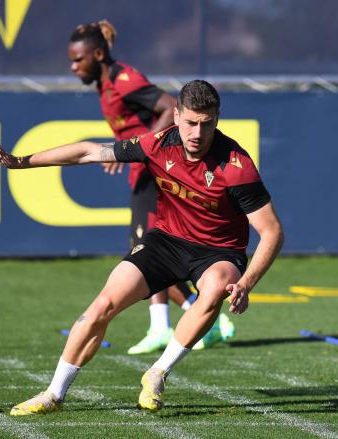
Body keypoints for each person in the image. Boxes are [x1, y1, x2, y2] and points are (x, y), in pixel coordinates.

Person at [0, 79, 284, 415]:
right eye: (190, 122)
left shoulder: (236, 166)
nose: (197, 133)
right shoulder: (157, 144)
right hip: (166, 242)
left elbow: (272, 232)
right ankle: (53, 394)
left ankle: (158, 372)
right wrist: (19, 162)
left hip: (218, 251)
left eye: (207, 124)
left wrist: (246, 284)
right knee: (103, 304)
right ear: (176, 116)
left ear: (217, 120)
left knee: (216, 287)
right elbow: (88, 152)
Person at [68, 20, 235, 354]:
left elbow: (167, 104)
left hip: (156, 173)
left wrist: (136, 146)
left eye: (78, 60)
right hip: (142, 176)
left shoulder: (123, 79)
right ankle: (162, 325)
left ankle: (209, 320)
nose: (74, 67)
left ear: (98, 54)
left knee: (148, 253)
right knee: (146, 252)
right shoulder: (105, 85)